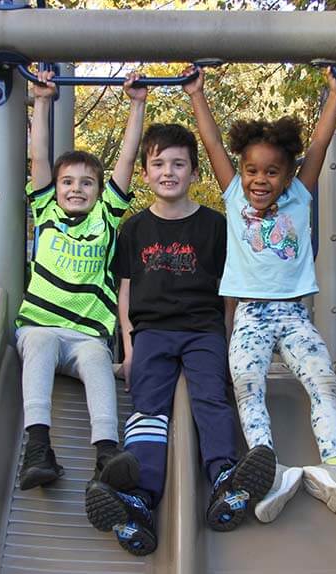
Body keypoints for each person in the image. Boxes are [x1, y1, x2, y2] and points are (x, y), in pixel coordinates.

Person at [184, 66, 336, 523]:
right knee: (247, 387)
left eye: (271, 172)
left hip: (293, 316)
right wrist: (196, 95)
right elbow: (210, 144)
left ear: (287, 176)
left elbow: (320, 145)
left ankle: (335, 469)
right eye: (251, 170)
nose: (259, 179)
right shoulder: (233, 198)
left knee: (323, 379)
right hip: (249, 316)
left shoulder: (299, 197)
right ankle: (269, 468)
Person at [86, 123, 276, 556]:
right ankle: (139, 499)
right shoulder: (133, 230)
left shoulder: (214, 226)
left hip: (202, 330)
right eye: (158, 164)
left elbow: (229, 291)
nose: (168, 172)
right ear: (146, 174)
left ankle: (226, 479)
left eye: (178, 164)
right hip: (151, 332)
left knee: (211, 396)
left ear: (194, 173)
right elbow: (126, 291)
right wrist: (129, 349)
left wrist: (228, 342)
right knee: (148, 408)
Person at [14, 68, 147, 516]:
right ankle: (38, 446)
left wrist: (137, 105)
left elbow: (127, 162)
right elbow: (37, 161)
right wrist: (42, 101)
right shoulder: (46, 209)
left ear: (97, 191)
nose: (76, 189)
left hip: (88, 334)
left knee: (95, 359)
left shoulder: (106, 219)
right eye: (68, 182)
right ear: (57, 188)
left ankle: (106, 452)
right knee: (38, 341)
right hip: (43, 325)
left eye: (86, 183)